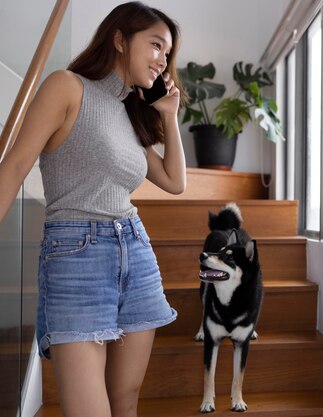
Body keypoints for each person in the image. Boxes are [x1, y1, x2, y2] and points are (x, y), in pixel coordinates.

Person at [0, 2, 186, 416]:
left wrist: (169, 117)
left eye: (168, 53)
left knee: (125, 401)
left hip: (135, 251)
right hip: (75, 254)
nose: (163, 60)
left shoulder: (128, 112)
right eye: (156, 45)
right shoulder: (67, 87)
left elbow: (174, 182)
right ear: (120, 39)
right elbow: (13, 166)